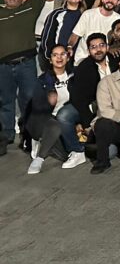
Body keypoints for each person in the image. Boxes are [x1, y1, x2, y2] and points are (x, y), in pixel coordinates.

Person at [0, 0, 58, 149]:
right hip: (3, 66)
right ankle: (6, 135)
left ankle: (27, 135)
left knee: (28, 101)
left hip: (26, 64)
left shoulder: (30, 9)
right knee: (5, 102)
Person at [24, 45, 86, 174]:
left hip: (67, 118)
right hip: (47, 118)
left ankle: (44, 142)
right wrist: (48, 102)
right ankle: (39, 158)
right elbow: (36, 108)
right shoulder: (43, 80)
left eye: (62, 54)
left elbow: (81, 100)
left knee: (65, 155)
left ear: (68, 57)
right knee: (54, 127)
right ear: (50, 59)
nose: (59, 58)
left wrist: (80, 122)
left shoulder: (75, 75)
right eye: (55, 55)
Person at [68, 0, 120, 65]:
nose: (110, 0)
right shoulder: (88, 14)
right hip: (83, 59)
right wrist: (69, 47)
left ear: (118, 2)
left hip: (104, 62)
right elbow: (75, 35)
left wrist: (113, 47)